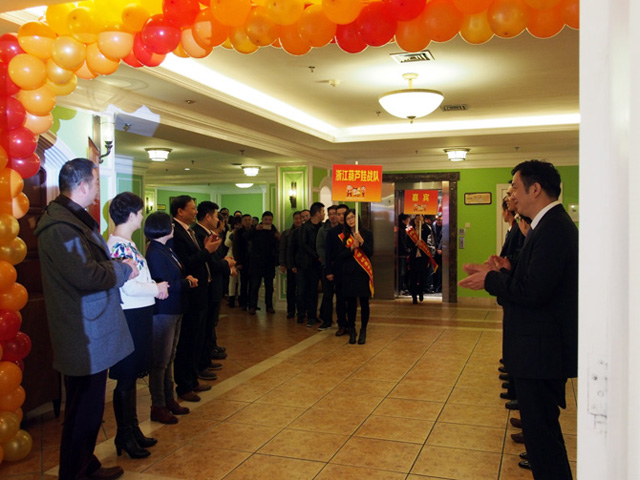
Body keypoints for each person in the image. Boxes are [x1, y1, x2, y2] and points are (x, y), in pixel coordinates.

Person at [459, 160, 577, 480]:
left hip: (540, 353)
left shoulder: (553, 228)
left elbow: (533, 292)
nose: (512, 195)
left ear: (535, 189)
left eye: (515, 187)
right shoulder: (546, 225)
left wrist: (491, 279)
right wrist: (507, 269)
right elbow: (534, 278)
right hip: (537, 351)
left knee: (543, 441)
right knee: (542, 438)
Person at [35, 158, 139, 480]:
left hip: (89, 327)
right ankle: (76, 472)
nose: (97, 191)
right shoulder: (61, 227)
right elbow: (86, 275)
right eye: (95, 183)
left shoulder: (72, 220)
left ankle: (84, 464)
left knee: (89, 408)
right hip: (83, 330)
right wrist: (123, 269)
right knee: (84, 410)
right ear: (81, 185)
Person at [107, 192, 168, 459]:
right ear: (131, 215)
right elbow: (129, 287)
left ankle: (133, 429)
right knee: (126, 377)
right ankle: (124, 434)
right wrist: (157, 288)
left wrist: (154, 287)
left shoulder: (127, 243)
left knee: (131, 377)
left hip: (139, 314)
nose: (143, 217)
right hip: (130, 316)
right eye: (141, 213)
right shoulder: (119, 246)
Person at [145, 212, 197, 425]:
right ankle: (158, 405)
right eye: (170, 225)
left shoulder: (166, 249)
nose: (173, 228)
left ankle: (169, 399)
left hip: (175, 309)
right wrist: (186, 282)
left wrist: (185, 279)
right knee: (160, 360)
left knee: (169, 357)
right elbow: (163, 285)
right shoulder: (155, 252)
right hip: (164, 311)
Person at [171, 195, 222, 402]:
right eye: (192, 208)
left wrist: (207, 250)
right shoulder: (176, 232)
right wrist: (207, 251)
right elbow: (185, 263)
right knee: (187, 342)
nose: (195, 212)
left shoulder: (189, 231)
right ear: (180, 211)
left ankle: (192, 380)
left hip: (200, 292)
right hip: (189, 294)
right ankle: (184, 385)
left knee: (196, 340)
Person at [335, 209, 374, 344]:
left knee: (364, 302)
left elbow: (370, 253)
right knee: (351, 304)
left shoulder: (367, 234)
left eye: (352, 217)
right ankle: (351, 329)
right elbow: (339, 256)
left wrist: (362, 242)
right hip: (348, 274)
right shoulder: (343, 236)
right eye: (348, 219)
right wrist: (351, 248)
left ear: (357, 218)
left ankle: (363, 330)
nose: (351, 220)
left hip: (362, 273)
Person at [293, 202, 324, 327]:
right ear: (317, 213)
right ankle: (301, 314)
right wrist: (317, 256)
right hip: (304, 264)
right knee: (301, 291)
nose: (324, 214)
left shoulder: (322, 227)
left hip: (316, 265)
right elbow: (304, 245)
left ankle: (312, 315)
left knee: (313, 291)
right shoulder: (304, 228)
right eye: (322, 212)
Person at [246, 211, 280, 314]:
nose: (268, 222)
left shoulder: (274, 231)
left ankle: (269, 306)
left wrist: (278, 238)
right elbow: (246, 236)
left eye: (270, 220)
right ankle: (252, 306)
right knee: (255, 286)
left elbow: (277, 247)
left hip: (269, 262)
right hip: (256, 262)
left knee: (269, 287)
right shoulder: (256, 229)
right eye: (266, 219)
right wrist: (254, 229)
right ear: (262, 219)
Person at [325, 204, 350, 336]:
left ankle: (351, 324)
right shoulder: (332, 232)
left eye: (343, 214)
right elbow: (328, 254)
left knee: (351, 299)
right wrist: (329, 271)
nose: (341, 217)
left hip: (352, 271)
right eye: (338, 214)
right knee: (340, 299)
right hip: (338, 270)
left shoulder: (354, 230)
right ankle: (342, 324)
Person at [317, 205, 339, 329]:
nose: (332, 216)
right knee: (328, 294)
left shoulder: (343, 229)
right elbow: (319, 247)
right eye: (330, 214)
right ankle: (327, 319)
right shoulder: (323, 230)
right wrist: (326, 261)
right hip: (327, 266)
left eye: (334, 214)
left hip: (340, 266)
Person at [406, 215, 436, 304]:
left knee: (423, 276)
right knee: (413, 277)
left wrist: (422, 224)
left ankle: (421, 291)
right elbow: (407, 244)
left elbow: (428, 234)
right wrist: (415, 244)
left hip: (423, 257)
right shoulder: (410, 231)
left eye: (419, 218)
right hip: (413, 257)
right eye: (416, 218)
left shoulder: (426, 228)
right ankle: (414, 296)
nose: (417, 220)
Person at [279, 211, 302, 319]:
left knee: (302, 290)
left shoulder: (305, 231)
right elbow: (282, 249)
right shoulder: (286, 233)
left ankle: (301, 310)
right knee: (291, 289)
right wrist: (282, 263)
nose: (298, 220)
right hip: (290, 265)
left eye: (300, 218)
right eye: (296, 218)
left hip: (302, 265)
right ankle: (291, 310)